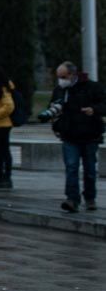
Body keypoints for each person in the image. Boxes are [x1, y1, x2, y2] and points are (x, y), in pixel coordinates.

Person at [40, 62, 103, 212]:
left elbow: (104, 104)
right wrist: (55, 123)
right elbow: (54, 108)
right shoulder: (60, 90)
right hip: (69, 135)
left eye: (63, 77)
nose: (61, 80)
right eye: (59, 77)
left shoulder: (92, 87)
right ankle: (72, 199)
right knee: (71, 167)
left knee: (89, 170)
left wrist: (94, 110)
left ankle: (90, 198)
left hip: (90, 135)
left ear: (73, 74)